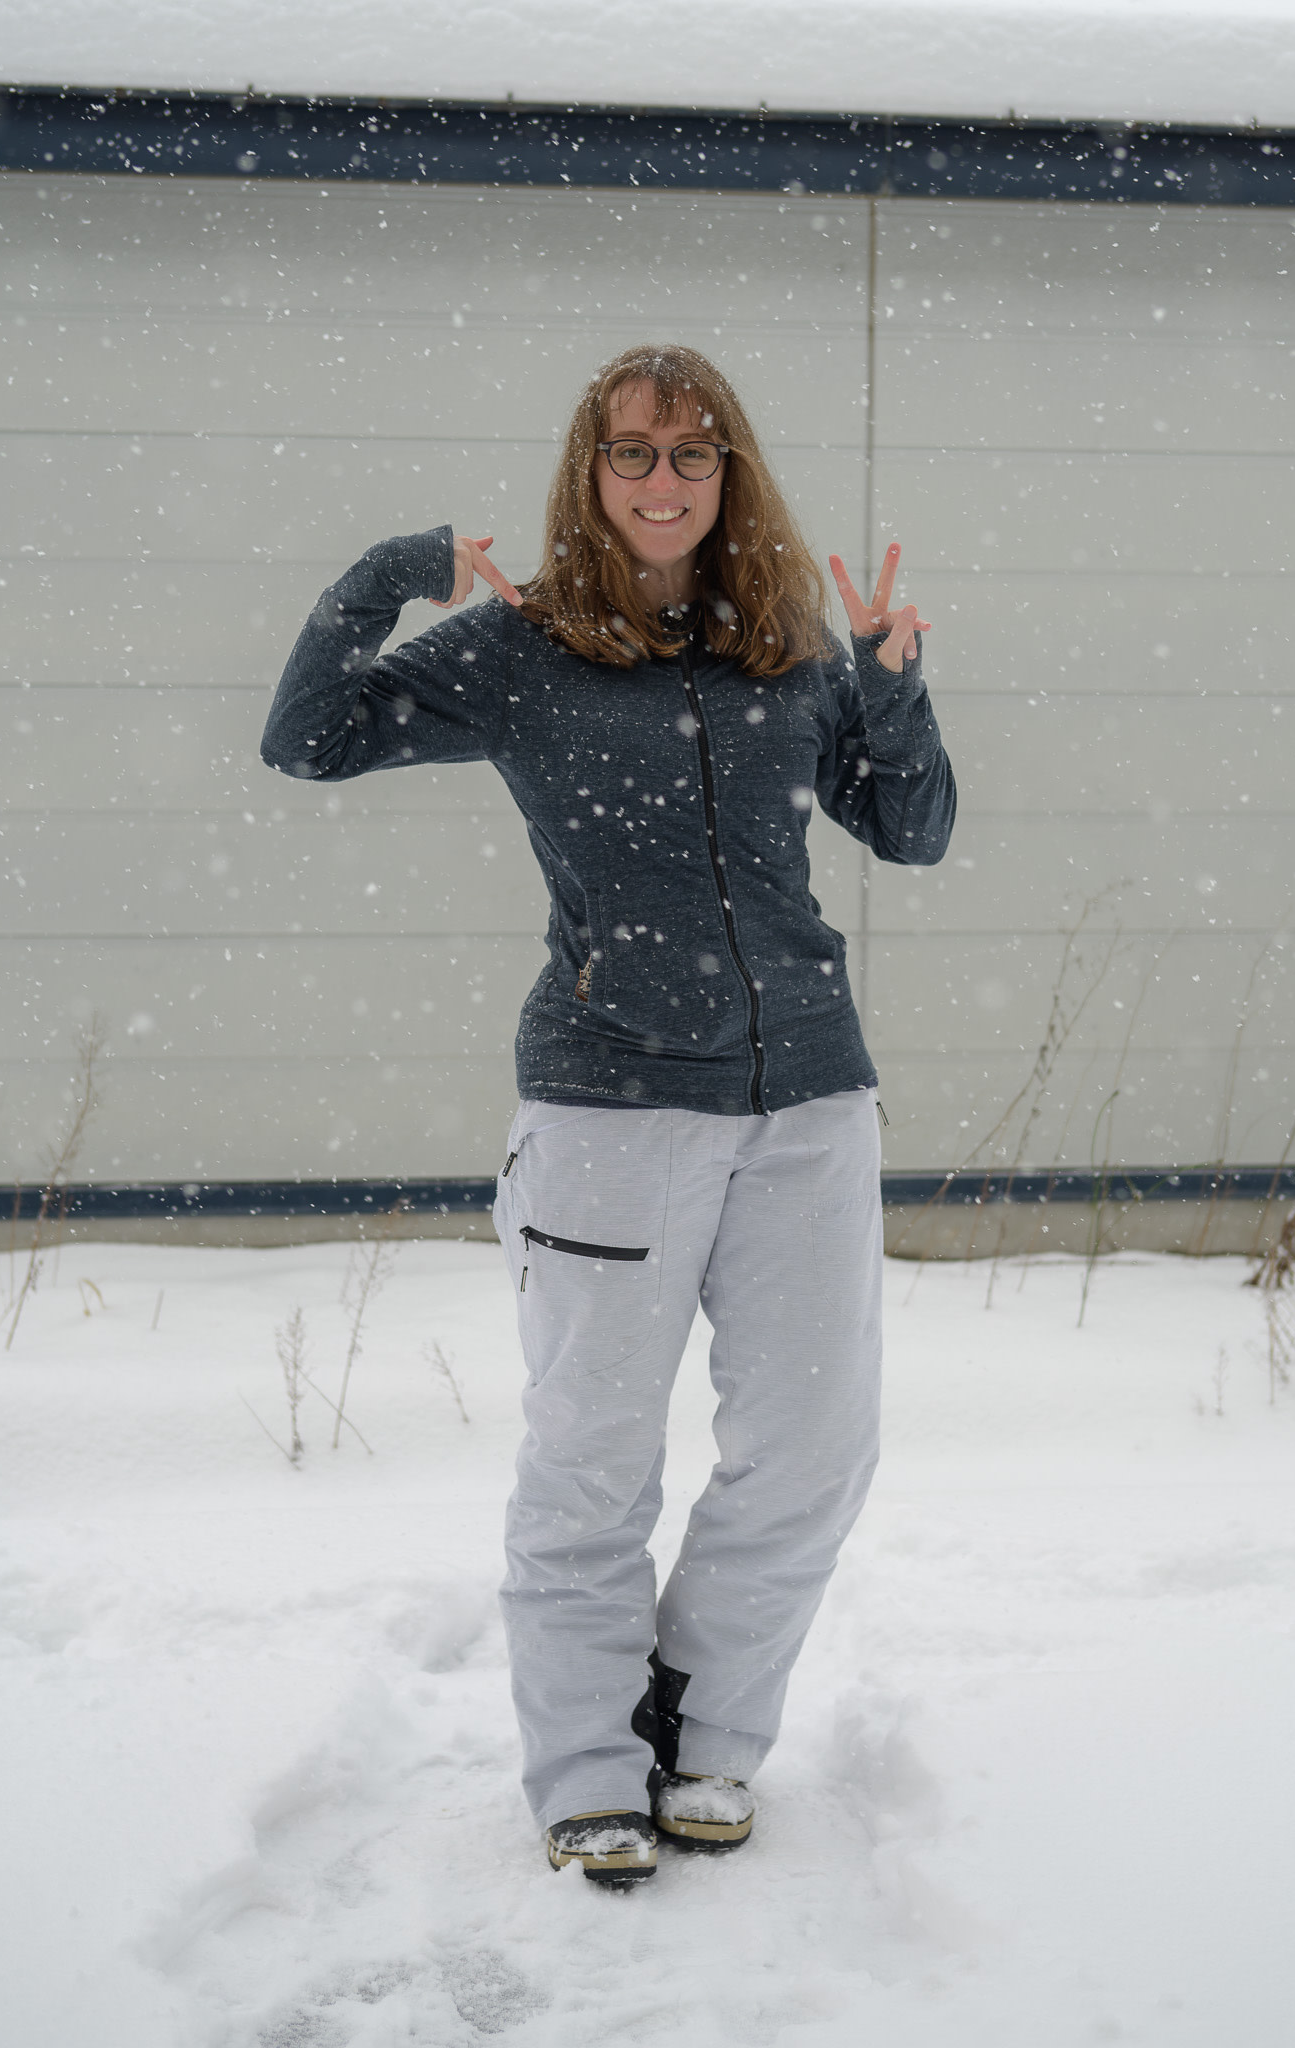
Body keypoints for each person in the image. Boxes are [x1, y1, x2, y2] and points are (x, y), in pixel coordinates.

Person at [262, 343, 955, 1886]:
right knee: (591, 1460)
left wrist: (893, 687)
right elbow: (305, 740)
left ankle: (700, 1732)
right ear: (590, 474)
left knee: (813, 1447)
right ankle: (586, 1769)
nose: (662, 482)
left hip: (810, 1103)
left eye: (691, 457)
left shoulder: (790, 646)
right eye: (632, 455)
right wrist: (398, 569)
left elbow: (908, 832)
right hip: (611, 1108)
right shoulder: (523, 650)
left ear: (730, 478)